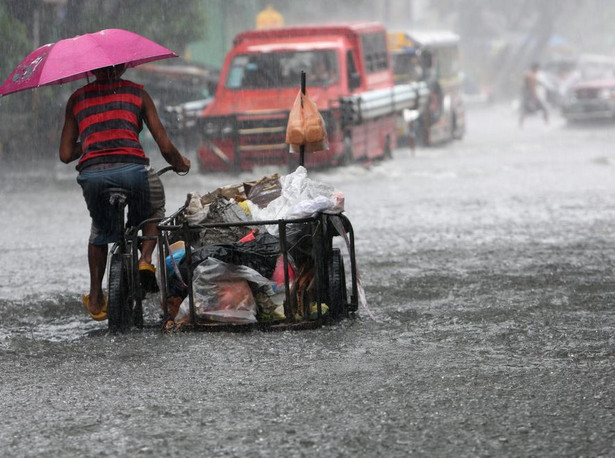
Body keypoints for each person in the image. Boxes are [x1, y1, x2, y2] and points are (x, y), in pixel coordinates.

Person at [59, 64, 191, 321]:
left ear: (92, 70)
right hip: (133, 172)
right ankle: (145, 259)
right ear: (122, 66)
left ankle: (96, 298)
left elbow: (65, 154)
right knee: (153, 207)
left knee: (99, 228)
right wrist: (180, 163)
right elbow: (164, 146)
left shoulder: (77, 99)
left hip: (93, 176)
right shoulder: (138, 94)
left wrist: (89, 141)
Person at [519, 62, 549, 127]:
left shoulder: (529, 74)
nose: (538, 70)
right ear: (536, 68)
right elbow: (531, 87)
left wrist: (540, 83)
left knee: (525, 110)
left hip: (527, 95)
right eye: (538, 69)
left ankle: (520, 124)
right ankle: (547, 124)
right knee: (545, 109)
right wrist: (533, 98)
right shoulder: (531, 76)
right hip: (531, 95)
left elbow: (531, 84)